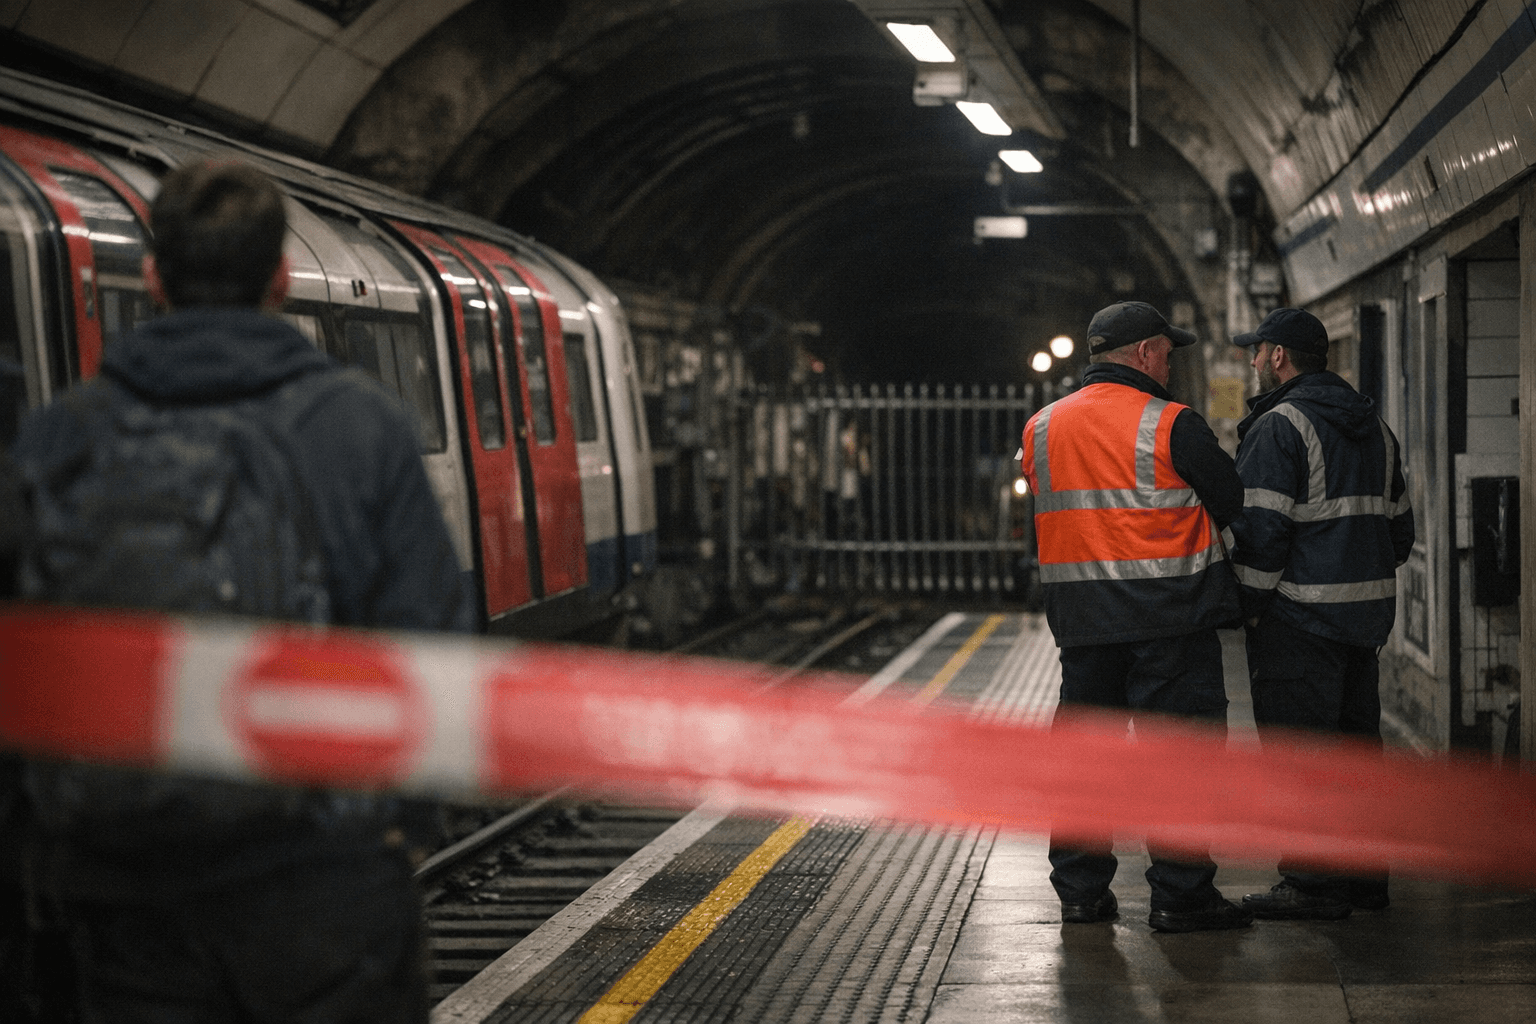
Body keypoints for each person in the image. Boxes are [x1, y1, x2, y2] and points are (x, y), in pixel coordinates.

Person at [7, 159, 474, 1023]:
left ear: (153, 278)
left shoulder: (60, 435)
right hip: (321, 881)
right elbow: (431, 638)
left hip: (126, 895)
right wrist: (401, 830)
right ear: (281, 279)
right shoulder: (359, 426)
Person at [1021, 301, 1252, 933]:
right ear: (1146, 353)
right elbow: (1232, 500)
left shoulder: (1041, 427)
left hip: (1085, 627)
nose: (1169, 367)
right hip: (1171, 620)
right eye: (1167, 355)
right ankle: (1181, 897)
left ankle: (1080, 894)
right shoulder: (1172, 423)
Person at [1229, 307, 1414, 920]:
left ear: (1279, 356)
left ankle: (1312, 883)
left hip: (1299, 621)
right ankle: (1364, 878)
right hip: (1364, 623)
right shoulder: (1375, 427)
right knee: (1356, 753)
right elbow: (1400, 532)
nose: (1254, 361)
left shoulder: (1280, 426)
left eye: (1257, 351)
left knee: (1301, 755)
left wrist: (1248, 609)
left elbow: (1261, 536)